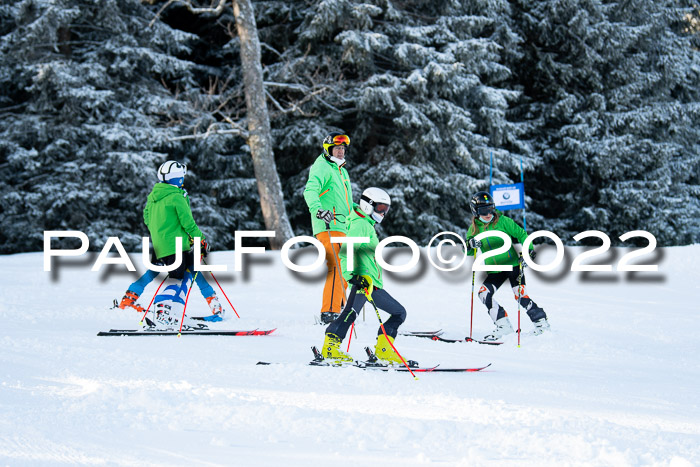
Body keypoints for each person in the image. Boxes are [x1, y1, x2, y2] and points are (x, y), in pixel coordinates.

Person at [321, 187, 412, 365]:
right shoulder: (360, 225)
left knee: (398, 312)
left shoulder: (365, 223)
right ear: (368, 205)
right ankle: (330, 347)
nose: (383, 213)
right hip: (362, 280)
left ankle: (384, 349)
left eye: (386, 209)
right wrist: (353, 277)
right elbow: (347, 252)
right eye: (380, 208)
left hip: (372, 283)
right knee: (350, 314)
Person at [466, 191, 550, 341]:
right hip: (495, 270)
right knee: (484, 294)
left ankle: (542, 324)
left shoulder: (503, 221)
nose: (488, 213)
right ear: (475, 212)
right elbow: (467, 250)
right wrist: (470, 244)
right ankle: (504, 326)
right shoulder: (474, 229)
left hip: (512, 266)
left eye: (490, 209)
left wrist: (528, 250)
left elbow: (521, 234)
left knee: (520, 295)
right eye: (483, 211)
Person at [142, 160, 211, 329]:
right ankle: (162, 312)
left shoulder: (153, 197)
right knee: (176, 278)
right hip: (176, 246)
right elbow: (188, 223)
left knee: (183, 274)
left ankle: (175, 313)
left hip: (162, 246)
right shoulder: (176, 197)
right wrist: (200, 240)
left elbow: (147, 218)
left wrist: (162, 234)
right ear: (178, 179)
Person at [303, 132, 353, 324]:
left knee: (346, 268)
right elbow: (310, 190)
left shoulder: (341, 171)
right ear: (328, 149)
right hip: (328, 224)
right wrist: (317, 210)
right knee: (337, 266)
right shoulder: (322, 167)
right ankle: (329, 312)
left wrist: (363, 213)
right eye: (337, 148)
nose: (341, 152)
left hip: (343, 226)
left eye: (343, 148)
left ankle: (340, 306)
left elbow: (347, 202)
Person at [117, 266, 225, 319]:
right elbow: (187, 224)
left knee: (152, 271)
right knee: (190, 269)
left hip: (161, 241)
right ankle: (174, 308)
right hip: (178, 245)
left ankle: (129, 298)